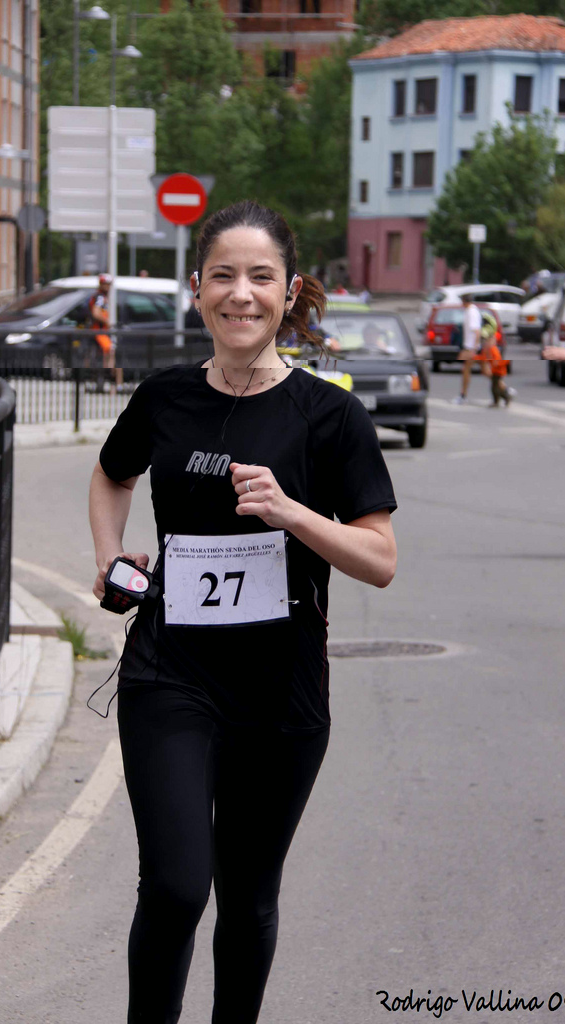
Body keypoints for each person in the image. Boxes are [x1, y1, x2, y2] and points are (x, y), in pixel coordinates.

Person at [89, 200, 398, 1024]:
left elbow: (380, 560)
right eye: (223, 275)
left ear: (289, 292)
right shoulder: (164, 397)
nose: (241, 293)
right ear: (197, 288)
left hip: (280, 695)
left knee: (250, 896)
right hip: (170, 674)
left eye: (261, 277)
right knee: (177, 885)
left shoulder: (330, 415)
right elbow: (112, 474)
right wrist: (110, 558)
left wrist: (292, 512)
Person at [474, 321, 513, 407]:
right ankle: (505, 397)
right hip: (495, 371)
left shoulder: (493, 350)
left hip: (498, 371)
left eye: (488, 341)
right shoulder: (487, 349)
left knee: (495, 387)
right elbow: (483, 358)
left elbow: (499, 361)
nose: (485, 343)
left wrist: (496, 363)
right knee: (497, 386)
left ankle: (499, 400)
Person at [453, 293, 482, 404]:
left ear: (465, 301)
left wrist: (474, 349)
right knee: (486, 371)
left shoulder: (471, 312)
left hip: (470, 347)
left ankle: (463, 396)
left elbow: (477, 331)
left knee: (465, 370)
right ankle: (505, 391)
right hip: (470, 346)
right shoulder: (470, 311)